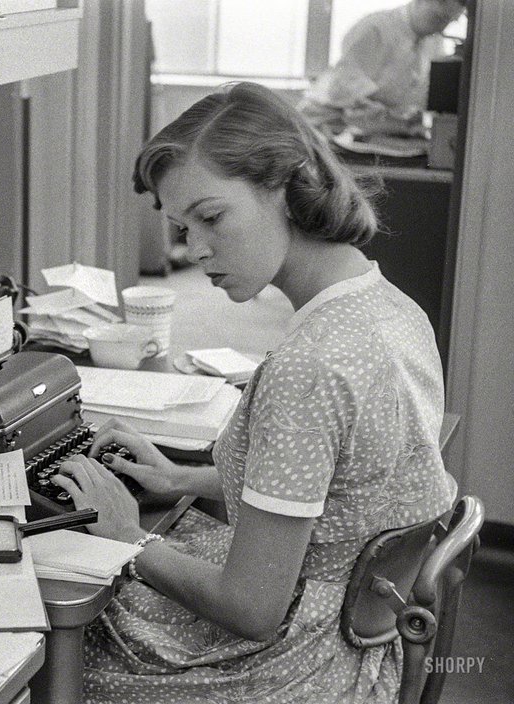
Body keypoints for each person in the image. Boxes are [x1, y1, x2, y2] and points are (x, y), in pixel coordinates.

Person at [52, 82, 457, 703]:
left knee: (54, 627)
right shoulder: (391, 307)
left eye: (211, 217)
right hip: (357, 639)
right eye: (182, 227)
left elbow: (250, 608)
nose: (197, 250)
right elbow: (343, 496)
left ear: (288, 188)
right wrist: (184, 480)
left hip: (294, 668)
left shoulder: (309, 365)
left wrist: (128, 537)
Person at [298, 0, 465, 137]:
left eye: (450, 20)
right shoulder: (375, 27)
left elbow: (422, 94)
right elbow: (344, 84)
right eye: (439, 18)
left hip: (371, 128)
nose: (442, 28)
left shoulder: (434, 42)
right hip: (323, 122)